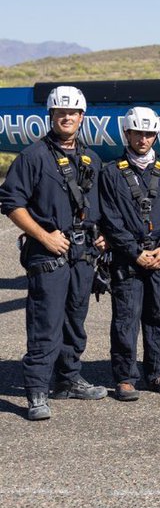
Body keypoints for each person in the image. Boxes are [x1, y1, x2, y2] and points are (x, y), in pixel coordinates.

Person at [0, 85, 107, 420]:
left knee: (75, 322)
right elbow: (10, 203)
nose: (67, 117)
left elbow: (99, 205)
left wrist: (100, 235)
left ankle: (68, 379)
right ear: (51, 116)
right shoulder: (33, 157)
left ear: (81, 117)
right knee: (46, 323)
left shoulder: (91, 158)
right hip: (49, 254)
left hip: (83, 254)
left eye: (73, 112)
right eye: (61, 112)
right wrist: (44, 237)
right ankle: (36, 391)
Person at [99, 106, 160, 401]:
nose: (143, 139)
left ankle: (157, 372)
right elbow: (110, 220)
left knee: (159, 317)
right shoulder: (111, 174)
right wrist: (134, 252)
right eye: (137, 133)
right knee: (126, 319)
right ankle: (125, 378)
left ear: (156, 135)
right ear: (127, 134)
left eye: (148, 134)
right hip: (127, 261)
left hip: (159, 258)